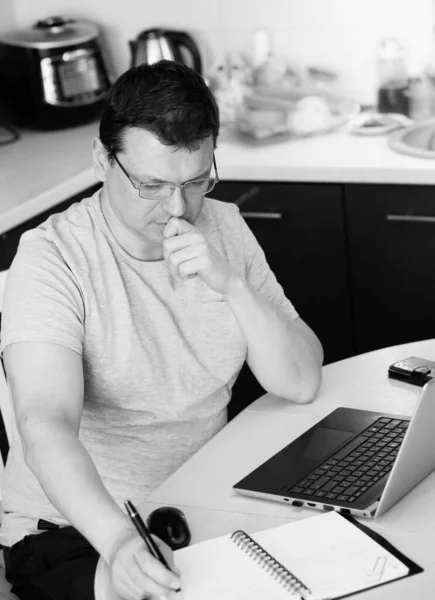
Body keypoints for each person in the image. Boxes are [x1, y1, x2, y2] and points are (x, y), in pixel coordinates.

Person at [0, 60, 323, 600]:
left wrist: (233, 286)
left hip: (203, 503)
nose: (177, 207)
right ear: (104, 160)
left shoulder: (223, 226)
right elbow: (44, 427)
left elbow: (301, 380)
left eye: (196, 181)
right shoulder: (54, 257)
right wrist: (121, 542)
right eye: (152, 185)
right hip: (80, 528)